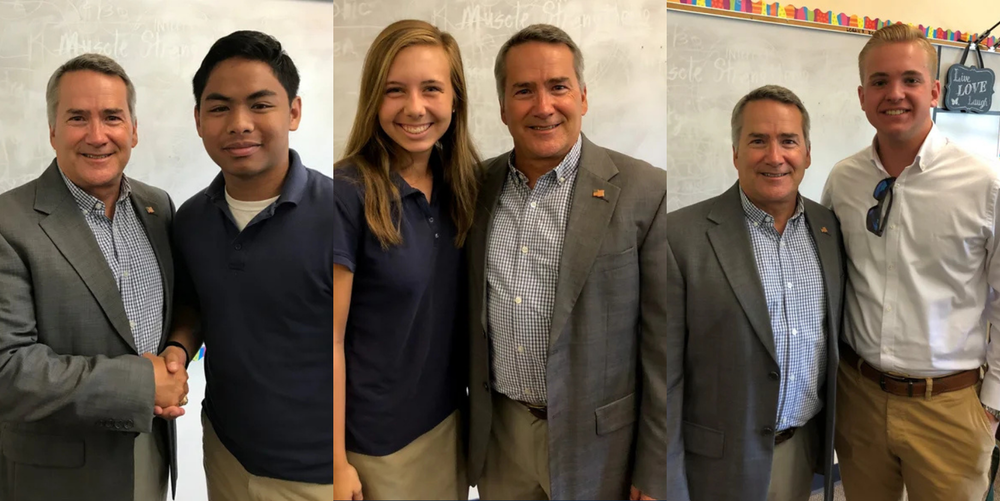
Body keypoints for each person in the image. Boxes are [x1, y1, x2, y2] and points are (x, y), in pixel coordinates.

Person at [466, 23, 666, 501]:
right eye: (523, 91)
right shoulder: (474, 188)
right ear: (502, 107)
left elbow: (664, 343)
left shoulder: (646, 191)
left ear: (583, 96)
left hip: (601, 444)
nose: (543, 106)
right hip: (501, 437)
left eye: (558, 87)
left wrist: (655, 466)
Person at [822, 23, 1000, 501]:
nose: (894, 93)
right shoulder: (843, 180)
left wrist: (993, 403)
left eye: (911, 80)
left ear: (935, 90)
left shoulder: (985, 185)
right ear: (862, 96)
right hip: (859, 397)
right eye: (879, 81)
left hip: (949, 407)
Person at [155, 31, 333, 501]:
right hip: (227, 454)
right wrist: (178, 348)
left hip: (322, 470)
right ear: (198, 119)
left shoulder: (341, 213)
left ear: (293, 112)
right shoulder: (191, 218)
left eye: (260, 104)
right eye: (219, 108)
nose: (239, 124)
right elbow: (195, 304)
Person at [0, 53, 186, 501]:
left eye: (112, 117)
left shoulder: (158, 207)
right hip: (58, 477)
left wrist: (178, 356)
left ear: (134, 130)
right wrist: (142, 384)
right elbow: (7, 368)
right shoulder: (8, 222)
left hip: (152, 450)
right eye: (78, 117)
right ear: (53, 131)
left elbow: (177, 307)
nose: (97, 135)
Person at [666, 85, 843, 501]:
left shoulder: (830, 229)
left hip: (801, 448)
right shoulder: (680, 236)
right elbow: (664, 375)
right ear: (735, 153)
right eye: (758, 141)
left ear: (807, 153)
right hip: (714, 461)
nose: (775, 156)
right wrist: (668, 477)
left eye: (789, 141)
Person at [332, 19, 480, 501]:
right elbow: (327, 339)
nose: (415, 107)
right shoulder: (346, 194)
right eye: (394, 90)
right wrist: (335, 461)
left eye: (431, 88)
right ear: (373, 99)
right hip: (377, 447)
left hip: (450, 427)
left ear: (455, 99)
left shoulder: (465, 187)